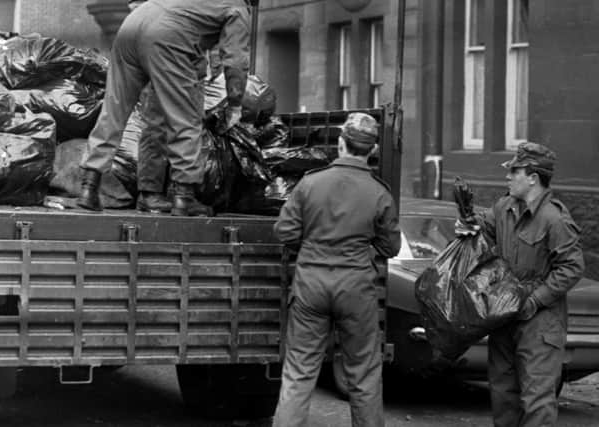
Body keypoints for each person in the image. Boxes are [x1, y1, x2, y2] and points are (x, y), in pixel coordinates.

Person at [271, 113, 401, 427]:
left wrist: (313, 246)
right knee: (364, 375)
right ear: (370, 151)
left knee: (299, 373)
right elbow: (391, 247)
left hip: (311, 284)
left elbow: (284, 231)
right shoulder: (379, 193)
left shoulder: (310, 183)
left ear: (340, 143)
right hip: (356, 287)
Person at [78, 0, 250, 215]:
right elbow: (235, 60)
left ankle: (90, 187)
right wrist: (235, 103)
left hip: (132, 23)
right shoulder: (238, 7)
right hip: (167, 36)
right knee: (185, 118)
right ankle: (184, 198)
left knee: (114, 110)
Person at [457, 142, 585, 427]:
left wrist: (535, 300)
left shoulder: (555, 218)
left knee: (536, 401)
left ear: (533, 178)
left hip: (540, 322)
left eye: (514, 171)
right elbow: (484, 234)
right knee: (504, 399)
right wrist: (467, 223)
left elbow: (572, 267)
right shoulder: (504, 208)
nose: (507, 176)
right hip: (504, 315)